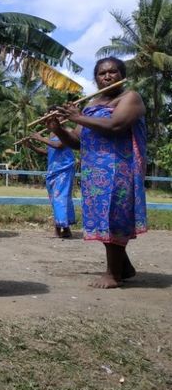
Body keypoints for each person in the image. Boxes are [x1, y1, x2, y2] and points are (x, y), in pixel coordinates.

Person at [47, 57, 146, 289]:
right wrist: (59, 129)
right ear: (96, 78)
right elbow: (76, 141)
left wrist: (77, 117)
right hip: (95, 172)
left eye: (113, 72)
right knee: (103, 219)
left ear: (122, 75)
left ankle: (113, 275)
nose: (108, 77)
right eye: (102, 74)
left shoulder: (130, 98)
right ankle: (125, 267)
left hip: (120, 170)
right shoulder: (93, 103)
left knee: (114, 218)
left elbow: (116, 125)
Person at [24, 132, 76, 238]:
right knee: (55, 199)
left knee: (60, 198)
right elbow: (48, 152)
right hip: (53, 170)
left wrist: (40, 138)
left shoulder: (68, 131)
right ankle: (64, 228)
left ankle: (61, 227)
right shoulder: (52, 134)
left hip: (64, 169)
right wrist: (31, 146)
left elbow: (59, 145)